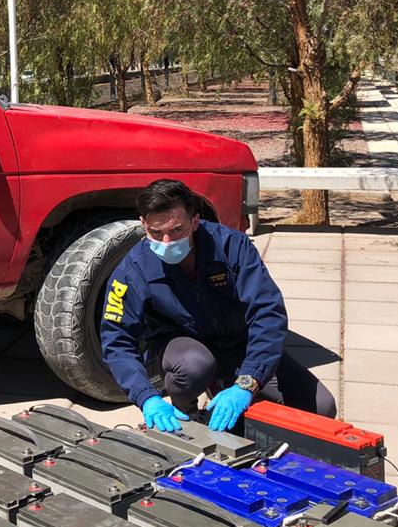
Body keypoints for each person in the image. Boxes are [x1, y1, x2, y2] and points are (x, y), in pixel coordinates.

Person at [100, 178, 337, 434]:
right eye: (156, 233)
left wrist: (248, 382)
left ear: (195, 221)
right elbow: (116, 339)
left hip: (238, 343)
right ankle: (189, 415)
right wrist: (146, 397)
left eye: (177, 230)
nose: (167, 242)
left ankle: (229, 393)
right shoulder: (133, 269)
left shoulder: (232, 247)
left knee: (321, 408)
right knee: (194, 366)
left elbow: (268, 314)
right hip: (184, 350)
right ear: (143, 224)